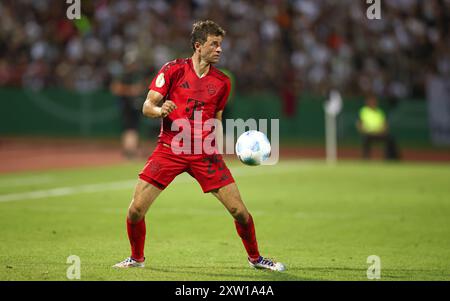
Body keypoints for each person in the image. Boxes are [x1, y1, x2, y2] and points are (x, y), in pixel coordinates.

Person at [113, 20, 285, 271]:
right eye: (214, 44)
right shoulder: (172, 70)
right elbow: (147, 106)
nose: (219, 49)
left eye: (220, 44)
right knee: (136, 210)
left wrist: (222, 142)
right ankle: (136, 259)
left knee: (239, 210)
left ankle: (256, 259)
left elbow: (217, 118)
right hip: (170, 148)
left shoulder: (223, 82)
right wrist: (161, 110)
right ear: (198, 46)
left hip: (204, 153)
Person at [110, 51, 147, 159]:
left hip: (136, 105)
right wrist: (131, 90)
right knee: (129, 128)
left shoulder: (137, 75)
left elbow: (140, 88)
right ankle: (130, 151)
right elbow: (115, 88)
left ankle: (132, 149)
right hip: (127, 105)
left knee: (133, 128)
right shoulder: (124, 75)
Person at [356, 95, 400, 160]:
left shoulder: (380, 111)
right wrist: (363, 130)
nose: (373, 102)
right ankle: (366, 158)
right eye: (371, 101)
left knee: (390, 138)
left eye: (374, 101)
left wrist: (383, 130)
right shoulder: (364, 111)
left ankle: (391, 158)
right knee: (366, 139)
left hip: (379, 133)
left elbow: (385, 124)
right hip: (368, 134)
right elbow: (359, 124)